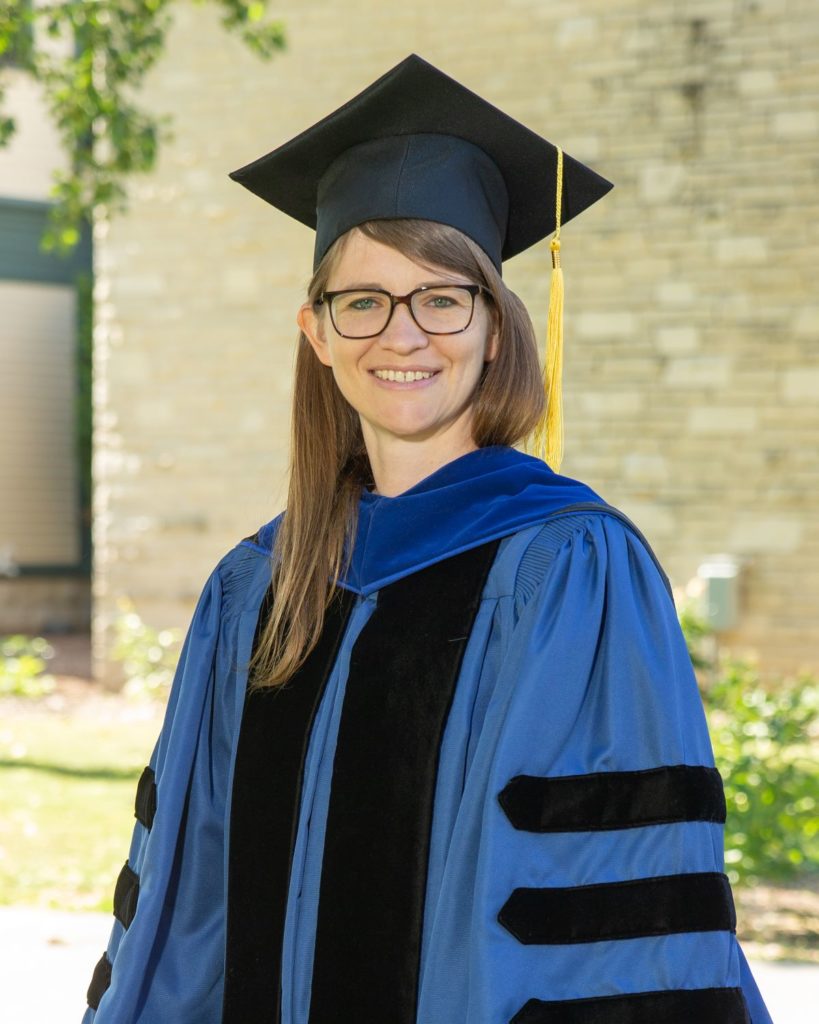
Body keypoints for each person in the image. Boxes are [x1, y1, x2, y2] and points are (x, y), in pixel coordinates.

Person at [82, 54, 773, 1024]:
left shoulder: (569, 568)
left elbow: (613, 908)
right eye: (361, 300)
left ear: (496, 327)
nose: (401, 334)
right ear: (315, 331)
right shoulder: (255, 588)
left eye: (442, 297)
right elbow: (186, 901)